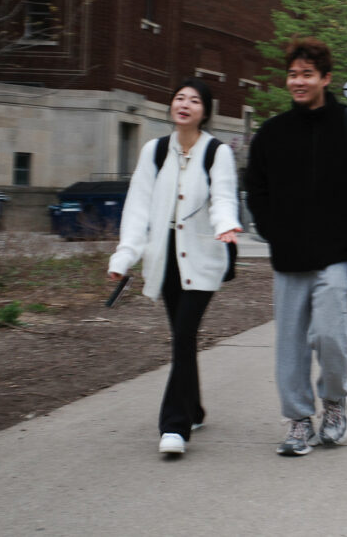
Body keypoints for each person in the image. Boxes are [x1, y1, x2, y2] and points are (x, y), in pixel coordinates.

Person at [246, 36, 347, 457]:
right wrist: (274, 230)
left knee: (330, 333)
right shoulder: (271, 133)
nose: (298, 81)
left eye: (307, 74)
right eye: (293, 74)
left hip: (338, 254)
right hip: (289, 257)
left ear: (325, 78)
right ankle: (297, 420)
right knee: (289, 344)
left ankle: (334, 402)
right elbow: (256, 190)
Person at [107, 78, 242, 456]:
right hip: (164, 258)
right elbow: (138, 209)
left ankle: (174, 427)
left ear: (205, 111)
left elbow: (224, 199)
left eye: (194, 100)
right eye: (179, 98)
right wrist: (124, 256)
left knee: (183, 336)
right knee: (184, 338)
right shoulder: (154, 151)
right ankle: (194, 407)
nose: (184, 104)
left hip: (203, 257)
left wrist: (226, 226)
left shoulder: (217, 152)